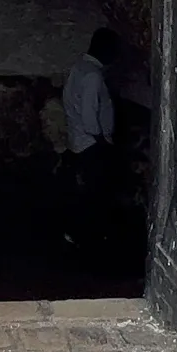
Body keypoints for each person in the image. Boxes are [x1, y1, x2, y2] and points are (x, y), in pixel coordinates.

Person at [60, 28, 124, 251]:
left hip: (78, 139)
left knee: (85, 190)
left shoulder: (79, 67)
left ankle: (77, 234)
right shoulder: (93, 76)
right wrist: (101, 140)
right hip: (91, 143)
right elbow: (89, 113)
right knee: (94, 193)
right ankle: (88, 238)